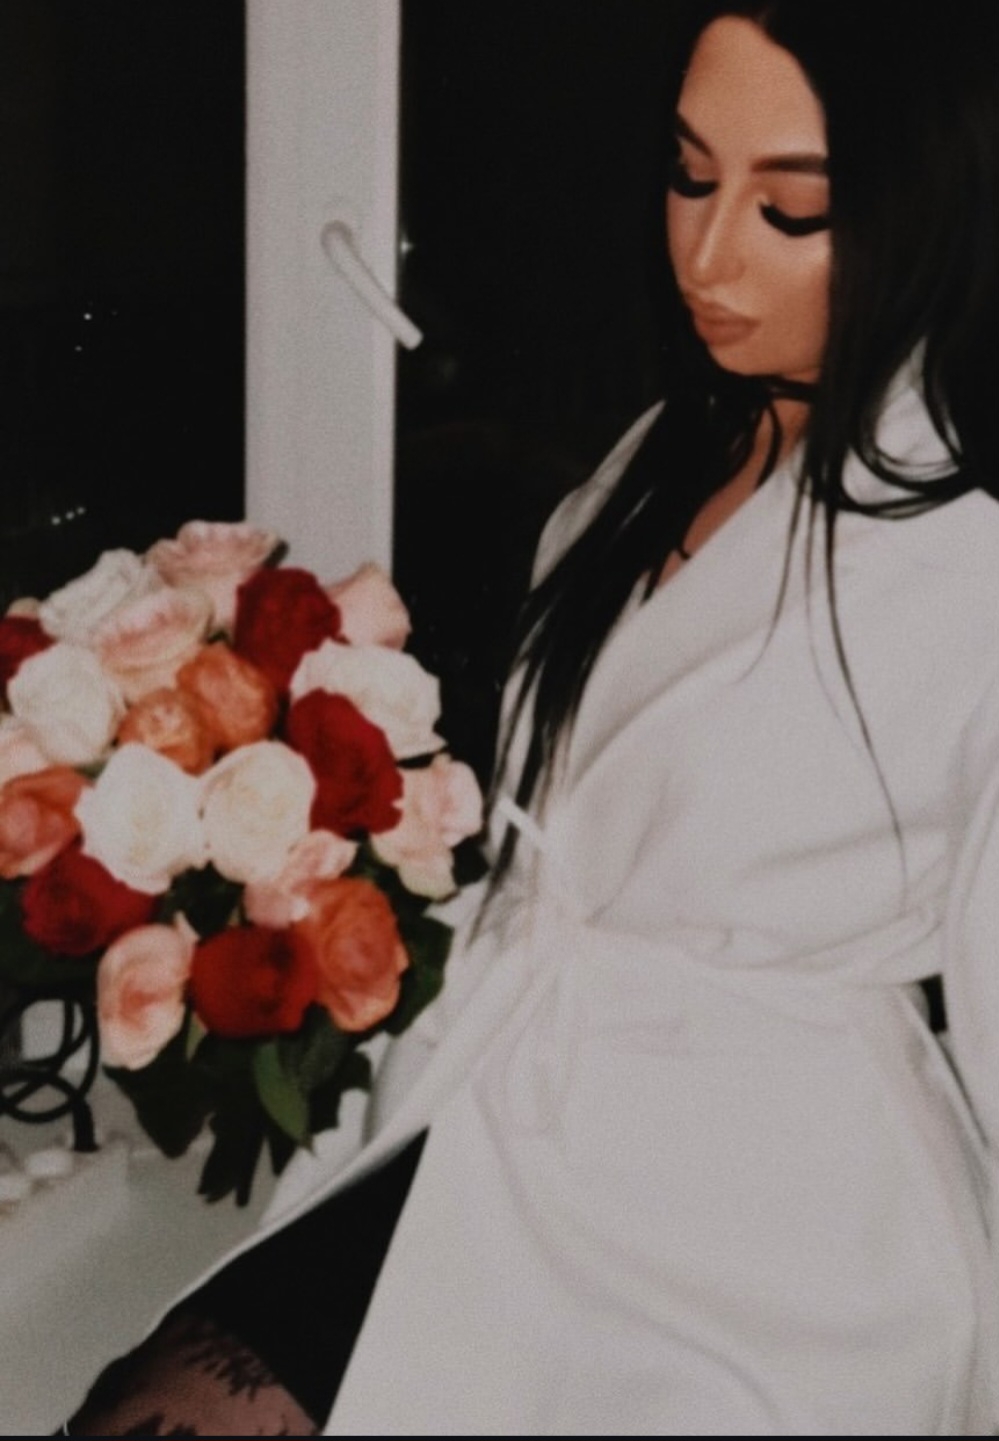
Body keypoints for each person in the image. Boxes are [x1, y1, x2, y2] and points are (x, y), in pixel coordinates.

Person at [64, 0, 998, 1433]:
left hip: (772, 1229)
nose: (708, 254)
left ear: (928, 207)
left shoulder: (966, 562)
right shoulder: (662, 453)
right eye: (690, 176)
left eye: (789, 209)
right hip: (499, 1111)